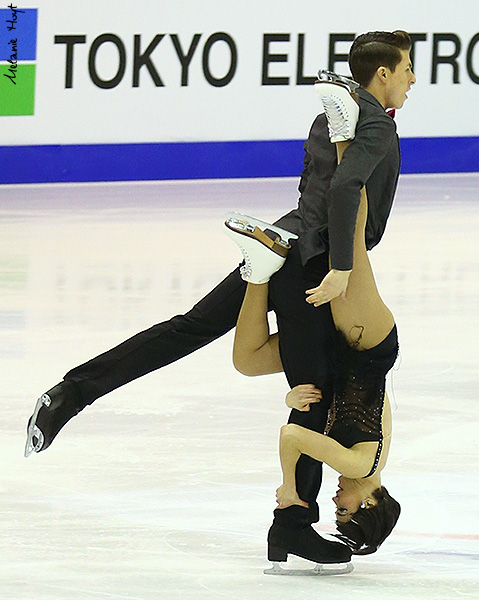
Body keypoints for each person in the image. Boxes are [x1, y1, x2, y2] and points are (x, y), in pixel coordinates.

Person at [25, 30, 414, 565]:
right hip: (315, 262)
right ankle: (292, 524)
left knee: (191, 328)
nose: (414, 80)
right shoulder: (374, 130)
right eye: (408, 68)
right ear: (384, 74)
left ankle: (69, 395)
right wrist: (340, 268)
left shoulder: (326, 119)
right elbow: (350, 199)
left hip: (286, 237)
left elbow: (314, 187)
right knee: (310, 385)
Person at [228, 137, 401, 557]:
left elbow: (316, 415)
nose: (335, 504)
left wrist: (291, 394)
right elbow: (293, 435)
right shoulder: (359, 465)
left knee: (247, 362)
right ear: (371, 502)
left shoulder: (360, 460)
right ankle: (346, 138)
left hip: (338, 353)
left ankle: (260, 268)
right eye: (345, 511)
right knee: (353, 240)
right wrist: (290, 486)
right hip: (368, 344)